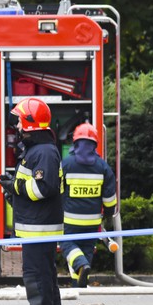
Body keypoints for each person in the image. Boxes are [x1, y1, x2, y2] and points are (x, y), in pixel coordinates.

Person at [0, 98, 64, 305]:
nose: (15, 125)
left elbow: (43, 188)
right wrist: (13, 191)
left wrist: (15, 187)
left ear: (29, 122)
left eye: (18, 120)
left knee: (36, 276)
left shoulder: (43, 151)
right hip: (39, 225)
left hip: (39, 228)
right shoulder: (40, 149)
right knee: (46, 276)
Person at [60, 123, 117, 287]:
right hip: (92, 222)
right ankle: (79, 285)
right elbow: (109, 198)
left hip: (71, 221)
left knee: (68, 246)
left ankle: (81, 267)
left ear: (75, 142)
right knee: (85, 250)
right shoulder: (103, 167)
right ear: (95, 143)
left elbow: (59, 191)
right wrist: (107, 214)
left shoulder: (66, 164)